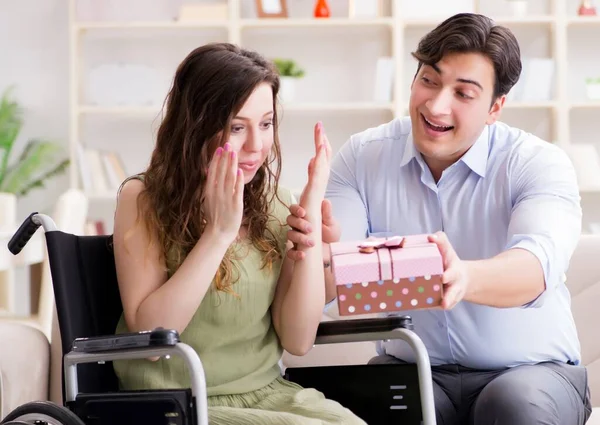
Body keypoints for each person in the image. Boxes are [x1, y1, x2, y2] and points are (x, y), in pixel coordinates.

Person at [286, 13, 593, 425]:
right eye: (429, 80)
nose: (436, 104)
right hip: (415, 368)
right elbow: (331, 285)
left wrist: (463, 276)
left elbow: (536, 265)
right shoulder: (363, 156)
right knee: (394, 405)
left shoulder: (537, 163)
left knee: (512, 404)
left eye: (463, 93)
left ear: (495, 107)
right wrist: (313, 257)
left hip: (532, 372)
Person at [110, 42, 366, 425]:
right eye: (236, 127)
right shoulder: (142, 198)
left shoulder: (276, 202)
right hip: (177, 402)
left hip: (269, 394)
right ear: (195, 125)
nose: (256, 146)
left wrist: (310, 228)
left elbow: (297, 340)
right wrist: (218, 233)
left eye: (265, 124)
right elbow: (152, 337)